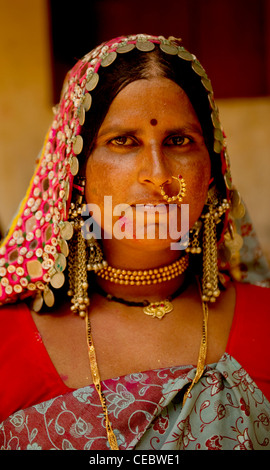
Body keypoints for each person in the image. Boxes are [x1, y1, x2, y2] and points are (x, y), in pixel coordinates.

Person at [0, 34, 269, 451]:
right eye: (123, 141)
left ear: (212, 172)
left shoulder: (265, 324)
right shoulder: (7, 343)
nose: (158, 174)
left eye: (179, 141)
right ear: (77, 173)